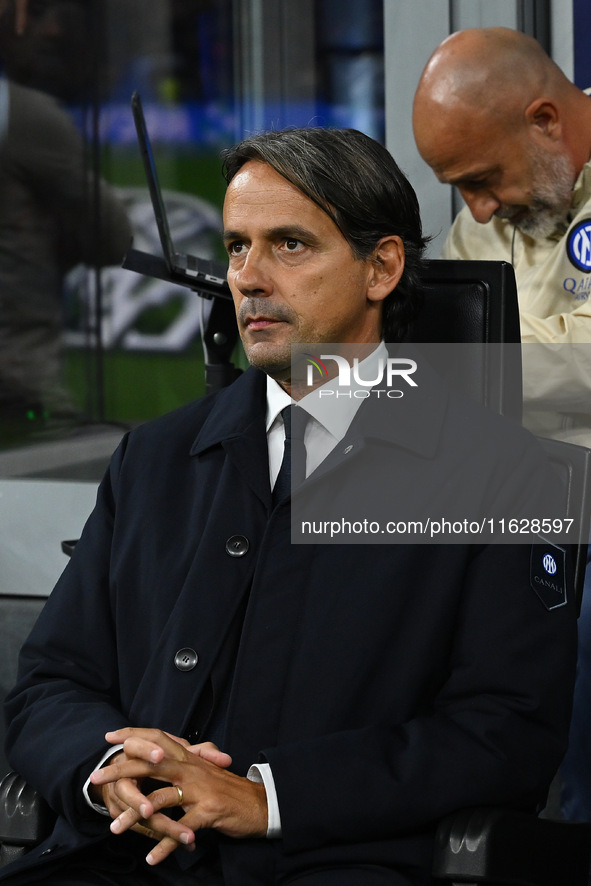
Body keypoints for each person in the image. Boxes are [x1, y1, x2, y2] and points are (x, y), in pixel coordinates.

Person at [1, 127, 577, 886]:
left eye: (290, 245)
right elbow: (50, 682)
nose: (247, 277)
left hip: (333, 860)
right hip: (121, 850)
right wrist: (109, 763)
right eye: (237, 247)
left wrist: (265, 797)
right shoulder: (155, 459)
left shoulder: (505, 475)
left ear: (382, 267)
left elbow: (504, 733)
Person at [412, 27, 591, 823]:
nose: (476, 208)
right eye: (459, 188)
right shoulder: (490, 210)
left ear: (545, 119)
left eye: (482, 179)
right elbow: (445, 345)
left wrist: (467, 369)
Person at [0, 0, 132, 428]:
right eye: (32, 12)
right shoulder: (21, 114)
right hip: (20, 391)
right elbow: (112, 239)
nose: (50, 30)